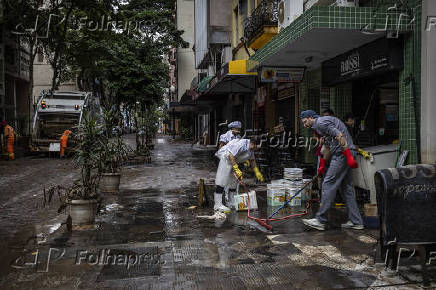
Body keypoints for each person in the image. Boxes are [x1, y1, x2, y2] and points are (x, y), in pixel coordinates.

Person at [300, 110, 363, 231]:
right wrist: (322, 164)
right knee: (347, 189)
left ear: (310, 118)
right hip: (344, 153)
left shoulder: (320, 123)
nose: (304, 125)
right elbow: (327, 147)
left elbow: (340, 136)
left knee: (328, 183)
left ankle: (320, 220)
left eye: (305, 122)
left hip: (342, 154)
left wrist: (348, 156)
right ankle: (357, 222)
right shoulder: (320, 127)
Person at [214, 138, 264, 213]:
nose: (255, 149)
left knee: (233, 182)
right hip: (226, 158)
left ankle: (231, 202)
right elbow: (230, 155)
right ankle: (218, 205)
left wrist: (257, 171)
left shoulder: (251, 149)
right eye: (256, 147)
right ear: (253, 144)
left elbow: (252, 160)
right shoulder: (242, 144)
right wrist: (236, 169)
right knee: (222, 181)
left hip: (233, 162)